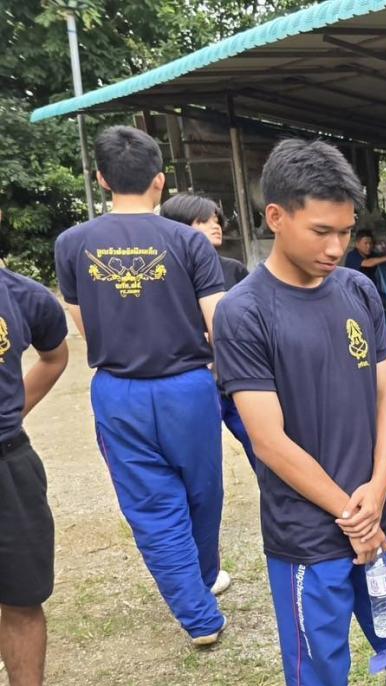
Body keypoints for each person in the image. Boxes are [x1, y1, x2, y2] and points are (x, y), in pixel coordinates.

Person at [214, 139, 386, 686]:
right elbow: (269, 439)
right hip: (311, 530)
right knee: (320, 653)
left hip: (384, 507)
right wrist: (346, 510)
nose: (338, 247)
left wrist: (379, 482)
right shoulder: (243, 313)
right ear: (276, 216)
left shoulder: (359, 291)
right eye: (322, 231)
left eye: (346, 231)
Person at [54, 125, 231, 648]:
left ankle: (199, 614)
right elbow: (217, 324)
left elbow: (80, 319)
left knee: (152, 507)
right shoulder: (188, 242)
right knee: (202, 493)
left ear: (101, 178)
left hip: (118, 390)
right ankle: (199, 590)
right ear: (160, 181)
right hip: (189, 388)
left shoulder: (71, 244)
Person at [2, 264, 114, 686]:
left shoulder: (22, 295)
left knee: (21, 592)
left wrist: (9, 415)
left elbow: (53, 356)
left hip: (7, 461)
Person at [160, 191, 255, 467]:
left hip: (236, 377)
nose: (216, 225)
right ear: (177, 227)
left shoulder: (233, 270)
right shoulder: (161, 274)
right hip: (192, 380)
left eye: (217, 219)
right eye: (203, 220)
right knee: (196, 461)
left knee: (261, 446)